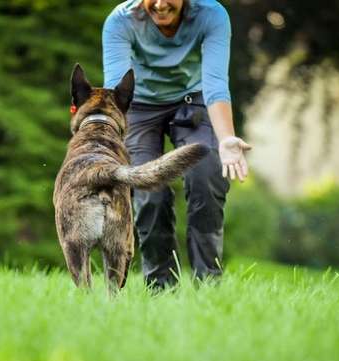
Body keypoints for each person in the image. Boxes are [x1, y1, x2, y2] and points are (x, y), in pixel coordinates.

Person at [102, 0, 251, 289]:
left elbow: (216, 83)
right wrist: (107, 143)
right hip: (140, 107)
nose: (160, 4)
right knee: (149, 191)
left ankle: (208, 285)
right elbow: (116, 91)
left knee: (206, 176)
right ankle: (161, 288)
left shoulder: (212, 15)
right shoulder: (120, 21)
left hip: (193, 101)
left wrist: (226, 139)